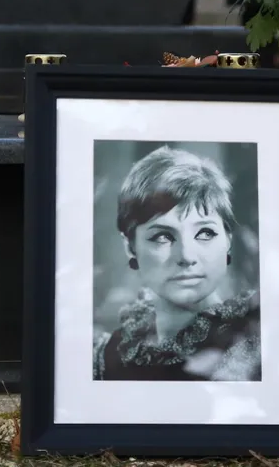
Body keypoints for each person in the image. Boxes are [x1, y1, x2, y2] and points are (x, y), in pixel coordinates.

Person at [93, 146, 261, 382]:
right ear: (130, 247)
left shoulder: (257, 346)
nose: (186, 256)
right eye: (162, 236)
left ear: (228, 240)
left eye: (205, 233)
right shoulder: (110, 353)